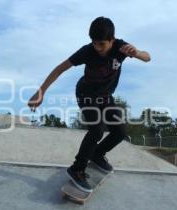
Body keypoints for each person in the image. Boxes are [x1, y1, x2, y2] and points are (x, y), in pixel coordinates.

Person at [27, 16, 151, 193]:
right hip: (86, 95)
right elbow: (60, 68)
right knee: (96, 130)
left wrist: (136, 53)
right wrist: (41, 91)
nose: (97, 48)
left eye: (102, 44)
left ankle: (97, 154)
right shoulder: (86, 51)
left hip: (105, 96)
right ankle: (77, 168)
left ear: (112, 40)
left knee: (120, 132)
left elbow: (147, 57)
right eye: (94, 43)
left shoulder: (121, 47)